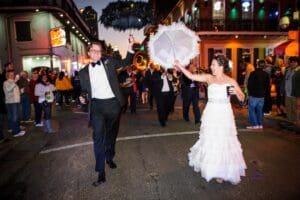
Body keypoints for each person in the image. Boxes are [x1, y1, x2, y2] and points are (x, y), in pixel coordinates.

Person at [175, 55, 246, 185]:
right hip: (211, 112)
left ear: (221, 66)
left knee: (223, 141)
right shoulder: (209, 78)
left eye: (213, 65)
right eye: (211, 65)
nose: (211, 67)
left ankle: (222, 171)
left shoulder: (231, 81)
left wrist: (236, 93)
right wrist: (179, 66)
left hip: (224, 114)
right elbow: (191, 76)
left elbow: (242, 98)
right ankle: (212, 167)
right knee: (211, 139)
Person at [79, 36, 134, 187]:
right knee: (98, 137)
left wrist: (130, 45)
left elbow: (126, 62)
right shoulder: (83, 72)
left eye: (99, 51)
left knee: (111, 134)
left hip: (113, 105)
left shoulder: (109, 63)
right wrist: (83, 97)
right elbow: (84, 90)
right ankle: (100, 171)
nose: (96, 54)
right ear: (89, 52)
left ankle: (109, 157)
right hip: (96, 106)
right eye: (93, 51)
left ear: (101, 53)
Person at [246, 60, 270, 129]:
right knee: (260, 110)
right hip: (262, 95)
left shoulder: (253, 73)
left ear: (257, 65)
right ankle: (260, 124)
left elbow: (249, 84)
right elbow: (267, 86)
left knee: (252, 110)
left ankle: (254, 124)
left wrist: (249, 93)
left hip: (254, 95)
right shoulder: (266, 74)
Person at [3, 70, 26, 137]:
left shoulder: (14, 82)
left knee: (14, 117)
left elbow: (14, 92)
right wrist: (15, 81)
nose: (13, 76)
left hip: (16, 101)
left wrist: (21, 91)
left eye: (13, 74)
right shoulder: (6, 82)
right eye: (11, 75)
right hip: (11, 102)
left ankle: (15, 129)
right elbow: (8, 90)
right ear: (7, 76)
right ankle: (16, 132)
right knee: (14, 117)